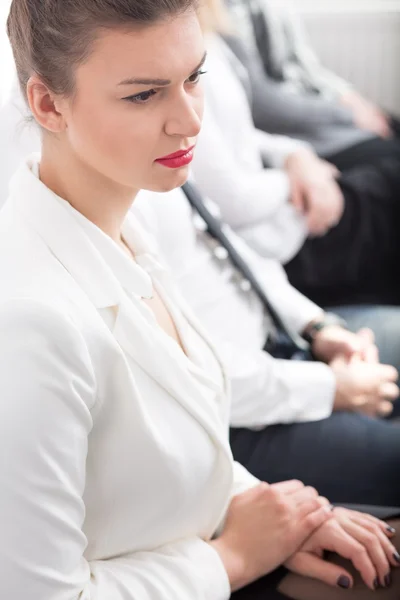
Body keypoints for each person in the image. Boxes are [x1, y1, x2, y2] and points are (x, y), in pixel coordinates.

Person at [2, 1, 400, 599]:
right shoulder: (35, 325)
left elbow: (184, 428)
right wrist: (233, 557)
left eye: (194, 78)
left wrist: (279, 516)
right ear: (48, 104)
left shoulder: (128, 224)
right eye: (144, 95)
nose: (189, 121)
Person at [190, 4, 400, 308]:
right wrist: (292, 181)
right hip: (267, 235)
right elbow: (233, 202)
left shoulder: (211, 34)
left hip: (274, 199)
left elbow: (243, 131)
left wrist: (294, 155)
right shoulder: (181, 50)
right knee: (389, 190)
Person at [224, 0, 400, 171]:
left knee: (391, 124)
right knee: (392, 155)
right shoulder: (226, 11)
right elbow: (262, 103)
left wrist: (347, 96)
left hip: (317, 110)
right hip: (297, 129)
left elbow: (306, 66)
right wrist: (349, 115)